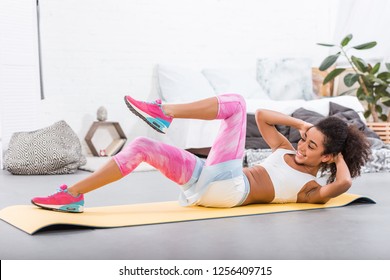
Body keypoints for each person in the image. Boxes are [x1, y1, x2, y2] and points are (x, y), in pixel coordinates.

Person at [31, 93, 371, 213]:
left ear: (327, 157)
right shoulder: (285, 148)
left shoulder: (310, 190)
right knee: (141, 147)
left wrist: (338, 152)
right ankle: (72, 196)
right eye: (304, 139)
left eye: (312, 147)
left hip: (231, 189)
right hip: (208, 180)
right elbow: (265, 116)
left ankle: (164, 111)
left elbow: (342, 184)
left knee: (237, 103)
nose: (302, 146)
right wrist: (302, 125)